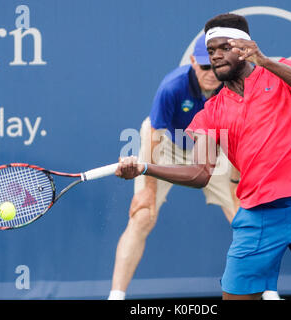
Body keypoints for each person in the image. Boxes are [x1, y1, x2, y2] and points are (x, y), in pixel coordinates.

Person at [115, 13, 291, 300]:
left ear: (244, 48)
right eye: (210, 51)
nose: (215, 56)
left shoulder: (280, 73)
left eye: (223, 48)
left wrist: (265, 61)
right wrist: (145, 167)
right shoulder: (211, 112)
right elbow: (200, 174)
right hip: (256, 220)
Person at [109, 33, 258, 300]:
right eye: (203, 66)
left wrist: (236, 181)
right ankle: (116, 296)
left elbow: (241, 134)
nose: (210, 73)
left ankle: (267, 291)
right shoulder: (172, 87)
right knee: (142, 215)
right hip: (166, 145)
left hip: (215, 144)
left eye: (214, 66)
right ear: (192, 61)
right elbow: (154, 136)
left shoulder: (233, 86)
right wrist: (148, 189)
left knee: (242, 217)